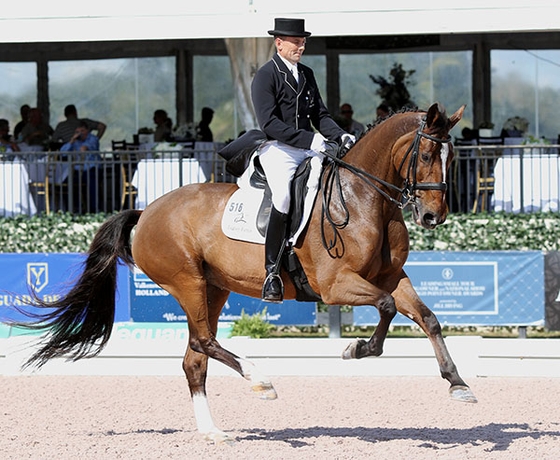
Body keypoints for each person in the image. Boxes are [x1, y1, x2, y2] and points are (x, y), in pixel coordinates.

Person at [251, 17, 355, 303]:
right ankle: (272, 272)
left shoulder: (306, 73)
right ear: (279, 42)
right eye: (296, 42)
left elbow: (320, 115)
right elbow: (269, 123)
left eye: (303, 42)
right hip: (278, 149)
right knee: (283, 197)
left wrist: (341, 136)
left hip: (308, 147)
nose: (301, 46)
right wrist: (310, 140)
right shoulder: (265, 75)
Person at [60, 120, 101, 212]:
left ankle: (94, 210)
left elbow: (85, 148)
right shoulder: (75, 141)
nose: (80, 134)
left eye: (82, 131)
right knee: (67, 183)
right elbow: (63, 153)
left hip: (92, 168)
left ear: (87, 130)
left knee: (92, 185)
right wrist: (71, 141)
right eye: (78, 132)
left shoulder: (93, 138)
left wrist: (82, 144)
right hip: (79, 170)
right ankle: (73, 209)